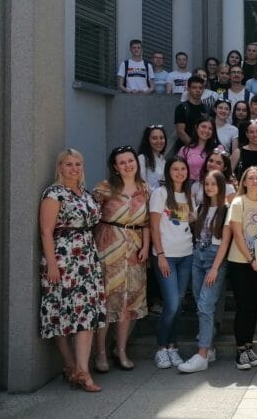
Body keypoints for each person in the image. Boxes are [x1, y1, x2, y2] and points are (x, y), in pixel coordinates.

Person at [39, 149, 106, 392]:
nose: (74, 168)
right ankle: (71, 367)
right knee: (61, 314)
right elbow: (46, 231)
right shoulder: (53, 193)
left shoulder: (85, 193)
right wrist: (52, 264)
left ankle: (82, 371)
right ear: (59, 167)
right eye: (68, 164)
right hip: (64, 259)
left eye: (78, 164)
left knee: (85, 314)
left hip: (87, 259)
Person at [93, 146, 150, 373]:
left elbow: (147, 222)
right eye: (122, 162)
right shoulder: (104, 188)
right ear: (115, 167)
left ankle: (121, 350)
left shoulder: (144, 188)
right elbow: (91, 218)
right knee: (107, 302)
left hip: (135, 250)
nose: (128, 165)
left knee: (129, 303)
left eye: (130, 160)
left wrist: (146, 246)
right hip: (108, 250)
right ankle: (100, 353)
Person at [177, 170, 231, 373]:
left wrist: (215, 268)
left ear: (221, 186)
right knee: (201, 304)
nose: (209, 188)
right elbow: (183, 218)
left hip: (214, 259)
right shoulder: (201, 207)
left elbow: (225, 242)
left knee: (206, 304)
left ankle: (202, 354)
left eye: (213, 184)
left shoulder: (226, 209)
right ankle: (210, 349)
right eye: (206, 184)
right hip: (198, 256)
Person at [224, 166, 257, 370]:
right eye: (251, 178)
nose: (255, 181)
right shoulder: (238, 203)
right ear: (244, 182)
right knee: (243, 305)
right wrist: (250, 259)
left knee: (254, 305)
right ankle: (240, 350)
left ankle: (248, 346)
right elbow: (237, 234)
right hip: (240, 262)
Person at [149, 156, 194, 369]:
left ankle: (172, 347)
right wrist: (160, 255)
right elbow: (154, 226)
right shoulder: (160, 193)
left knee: (179, 303)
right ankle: (161, 348)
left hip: (186, 254)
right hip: (166, 255)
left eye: (183, 169)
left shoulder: (188, 194)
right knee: (171, 304)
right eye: (175, 169)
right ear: (168, 171)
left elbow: (191, 220)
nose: (179, 173)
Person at [178, 117, 223, 183]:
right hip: (189, 186)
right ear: (196, 127)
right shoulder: (184, 150)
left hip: (211, 185)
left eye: (210, 128)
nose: (206, 131)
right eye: (203, 127)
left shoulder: (218, 149)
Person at [173, 75, 208, 151]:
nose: (198, 90)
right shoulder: (181, 108)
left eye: (200, 88)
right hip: (186, 149)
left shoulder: (206, 108)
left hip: (204, 149)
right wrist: (194, 148)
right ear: (188, 89)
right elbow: (180, 131)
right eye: (194, 87)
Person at [138, 125, 167, 191]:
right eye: (154, 138)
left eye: (161, 138)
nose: (159, 141)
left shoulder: (164, 161)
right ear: (147, 140)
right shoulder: (142, 159)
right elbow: (142, 184)